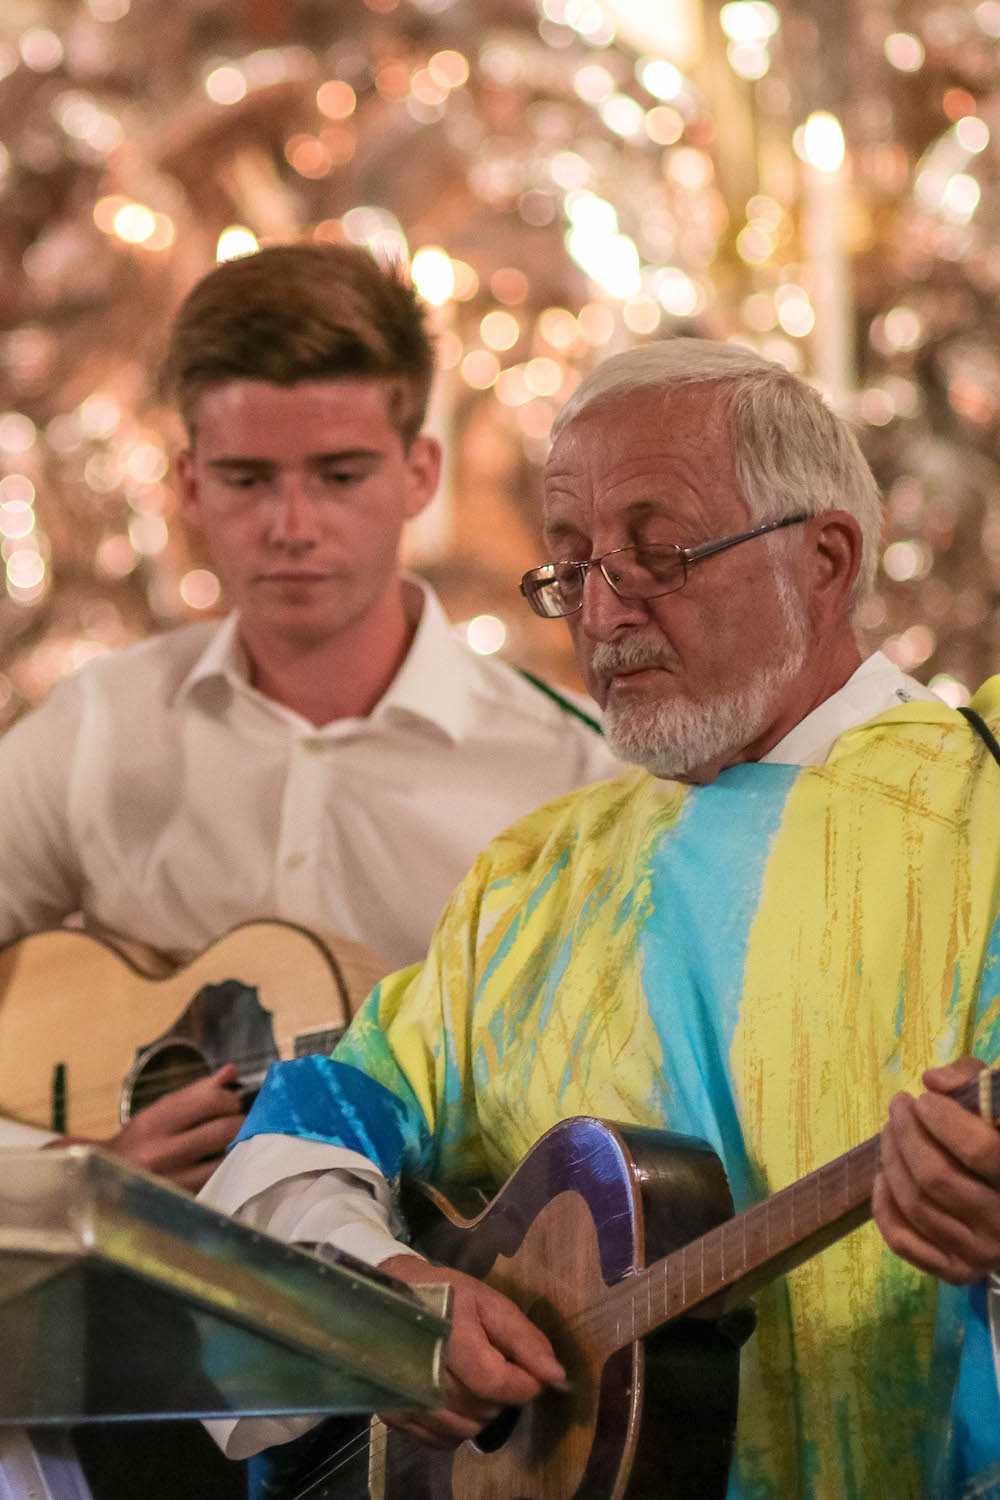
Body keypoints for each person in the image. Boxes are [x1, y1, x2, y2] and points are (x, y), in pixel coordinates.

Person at [202, 338, 1000, 1499]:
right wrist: (383, 1299)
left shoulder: (981, 805)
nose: (602, 609)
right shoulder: (536, 877)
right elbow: (302, 1130)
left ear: (824, 559)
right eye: (570, 564)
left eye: (658, 551)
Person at [0, 242, 619, 1181]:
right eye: (247, 479)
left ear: (420, 474)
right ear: (188, 484)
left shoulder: (571, 773)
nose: (292, 526)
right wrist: (70, 1164)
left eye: (339, 475)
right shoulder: (99, 725)